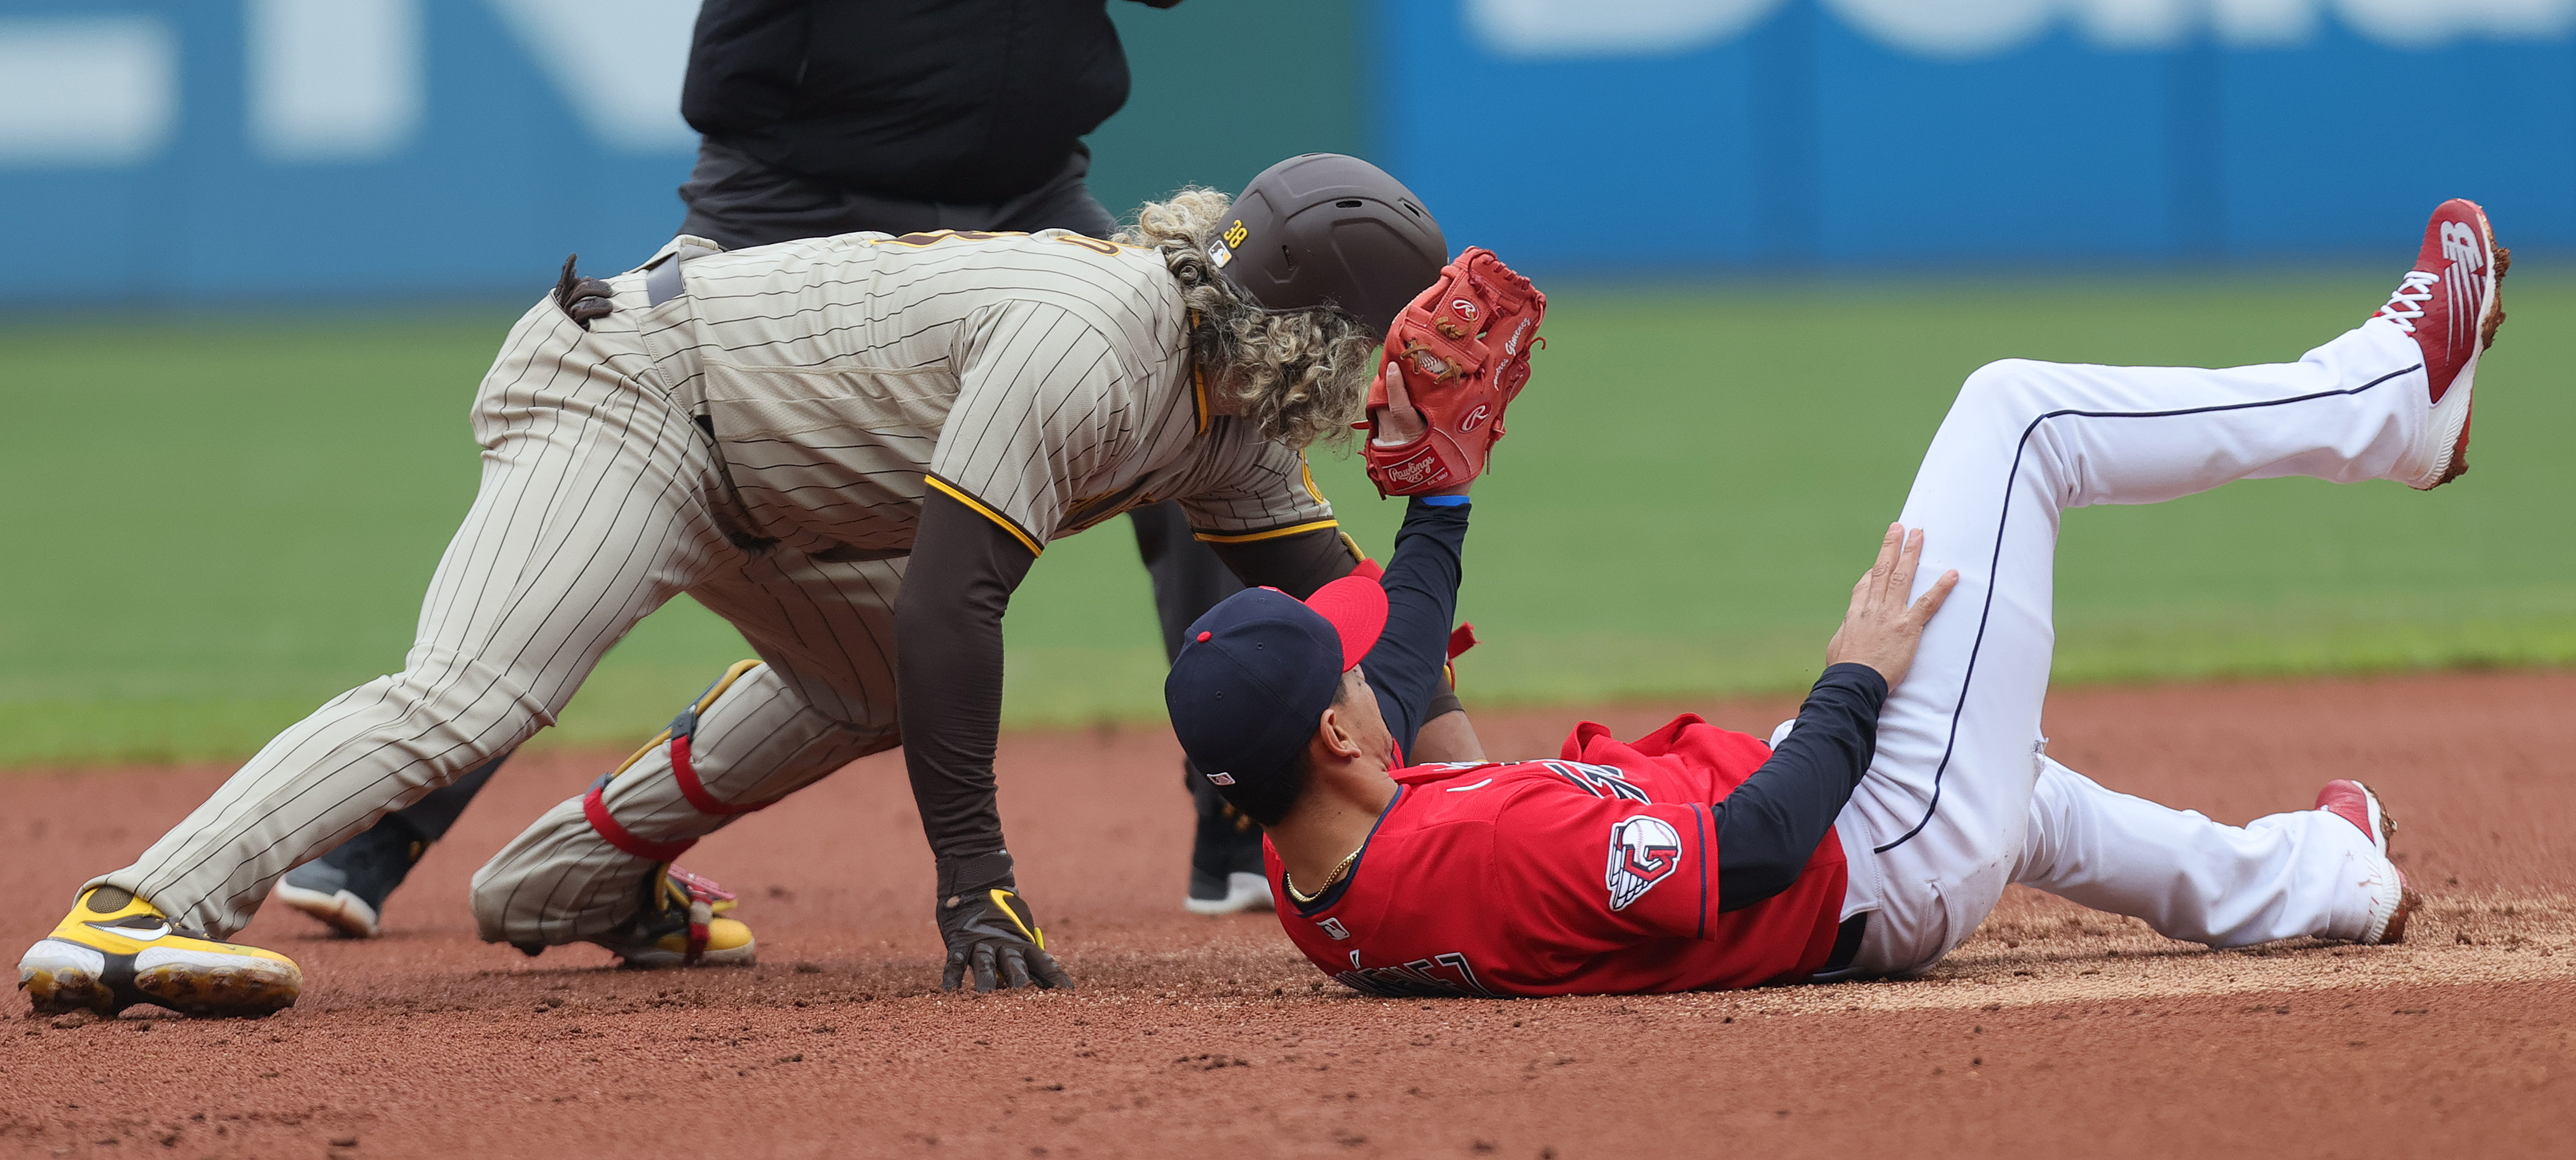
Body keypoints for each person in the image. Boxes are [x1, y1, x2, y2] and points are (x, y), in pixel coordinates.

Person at [18, 153, 1475, 1019]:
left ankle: (573, 876)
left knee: (862, 685)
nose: (1391, 369)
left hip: (769, 481)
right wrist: (977, 885)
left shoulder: (1224, 417)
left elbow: (1351, 625)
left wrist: (1462, 769)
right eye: (1384, 337)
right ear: (1311, 331)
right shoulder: (1095, 341)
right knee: (473, 691)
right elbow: (950, 601)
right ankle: (137, 908)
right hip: (638, 396)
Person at [1163, 200, 2504, 996]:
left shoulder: (1309, 859)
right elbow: (1750, 850)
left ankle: (2328, 877)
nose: (1368, 679)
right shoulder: (1475, 862)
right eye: (1338, 681)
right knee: (2018, 418)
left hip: (1871, 848)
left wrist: (1437, 497)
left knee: (2015, 784)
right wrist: (1852, 675)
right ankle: (2388, 402)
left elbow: (1394, 674)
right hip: (1864, 854)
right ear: (1331, 742)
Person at [272, 0, 1301, 937]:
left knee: (1193, 433)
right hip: (796, 194)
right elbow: (721, 83)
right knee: (623, 475)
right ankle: (377, 830)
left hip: (1024, 193)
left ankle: (1242, 809)